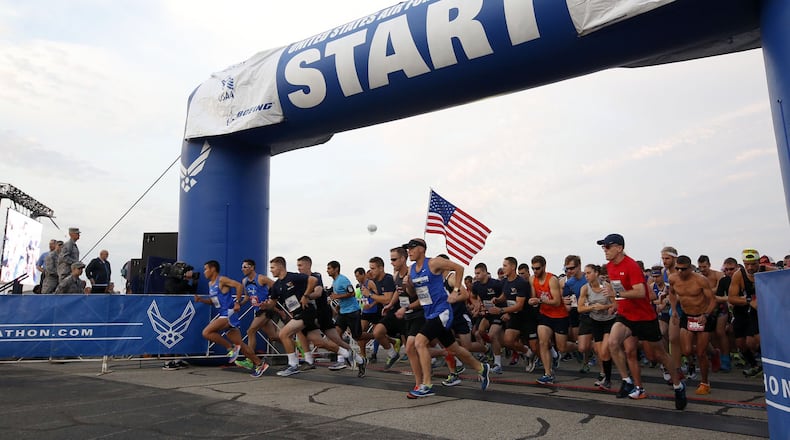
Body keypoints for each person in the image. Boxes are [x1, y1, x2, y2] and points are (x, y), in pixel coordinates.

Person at [597, 233, 686, 409]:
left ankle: (678, 385)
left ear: (619, 248)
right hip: (625, 315)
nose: (605, 251)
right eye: (603, 247)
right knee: (613, 343)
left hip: (644, 316)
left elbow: (640, 292)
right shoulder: (609, 266)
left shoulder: (631, 265)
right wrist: (615, 302)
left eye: (608, 247)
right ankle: (627, 381)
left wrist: (617, 294)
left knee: (658, 355)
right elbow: (618, 290)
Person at [402, 238, 490, 398]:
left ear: (421, 249)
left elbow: (459, 268)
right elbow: (413, 294)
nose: (409, 251)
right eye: (407, 249)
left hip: (442, 311)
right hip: (430, 313)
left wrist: (456, 291)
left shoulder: (434, 262)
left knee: (419, 342)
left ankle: (426, 384)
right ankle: (481, 368)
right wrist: (408, 284)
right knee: (454, 348)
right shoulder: (411, 269)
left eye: (411, 248)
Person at [193, 260, 269, 378]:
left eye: (206, 269)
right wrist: (201, 300)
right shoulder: (210, 284)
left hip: (228, 314)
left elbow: (238, 286)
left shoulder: (221, 280)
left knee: (206, 332)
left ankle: (231, 348)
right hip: (224, 313)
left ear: (213, 269)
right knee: (241, 345)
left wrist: (237, 302)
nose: (204, 272)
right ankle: (259, 364)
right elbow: (214, 302)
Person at [669, 255, 717, 395]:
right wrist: (673, 310)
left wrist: (706, 315)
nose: (679, 272)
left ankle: (705, 382)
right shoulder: (673, 279)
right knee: (687, 350)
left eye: (683, 269)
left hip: (702, 316)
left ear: (690, 268)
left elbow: (712, 300)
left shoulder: (700, 280)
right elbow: (671, 294)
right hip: (687, 316)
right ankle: (711, 354)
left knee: (701, 353)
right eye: (677, 268)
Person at [487, 257, 536, 377]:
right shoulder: (505, 281)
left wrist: (501, 310)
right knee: (508, 341)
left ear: (513, 267)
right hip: (514, 316)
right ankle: (528, 353)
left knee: (536, 345)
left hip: (526, 316)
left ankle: (552, 356)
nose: (503, 268)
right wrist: (497, 300)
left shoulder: (521, 283)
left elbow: (519, 306)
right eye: (503, 265)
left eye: (505, 266)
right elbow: (505, 295)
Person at [529, 255, 571, 384]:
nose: (535, 271)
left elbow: (557, 301)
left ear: (544, 267)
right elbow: (533, 297)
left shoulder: (552, 280)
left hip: (559, 315)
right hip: (545, 314)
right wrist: (532, 301)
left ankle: (580, 348)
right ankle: (548, 373)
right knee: (543, 342)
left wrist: (540, 300)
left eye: (537, 268)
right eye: (533, 268)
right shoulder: (532, 279)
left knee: (562, 347)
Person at [234, 259, 279, 370]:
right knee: (273, 337)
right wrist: (238, 303)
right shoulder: (244, 281)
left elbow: (276, 286)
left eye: (245, 267)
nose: (242, 269)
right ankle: (296, 344)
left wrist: (270, 300)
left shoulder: (261, 278)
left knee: (251, 331)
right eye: (242, 267)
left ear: (252, 267)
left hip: (266, 309)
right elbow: (247, 297)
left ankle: (250, 360)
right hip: (258, 310)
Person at [577, 264, 616, 389]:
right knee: (600, 352)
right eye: (585, 273)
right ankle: (604, 374)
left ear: (596, 273)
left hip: (609, 321)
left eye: (589, 273)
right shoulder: (585, 288)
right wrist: (593, 307)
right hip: (596, 321)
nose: (586, 276)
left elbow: (616, 304)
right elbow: (580, 308)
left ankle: (608, 380)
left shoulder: (606, 286)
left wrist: (604, 307)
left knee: (604, 350)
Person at [327, 260, 367, 377]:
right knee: (336, 335)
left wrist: (337, 296)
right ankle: (341, 360)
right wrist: (339, 305)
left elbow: (352, 293)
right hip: (343, 312)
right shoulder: (334, 282)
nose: (327, 270)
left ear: (336, 269)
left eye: (329, 268)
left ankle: (377, 336)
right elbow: (342, 297)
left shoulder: (342, 279)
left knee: (357, 336)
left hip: (353, 311)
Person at [728, 249, 762, 378]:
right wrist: (749, 300)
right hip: (742, 311)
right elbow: (731, 298)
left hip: (757, 313)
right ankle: (754, 365)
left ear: (758, 262)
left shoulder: (767, 271)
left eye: (753, 264)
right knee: (741, 344)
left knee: (754, 341)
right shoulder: (739, 275)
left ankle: (768, 363)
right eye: (747, 264)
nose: (750, 267)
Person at [471, 262, 505, 373]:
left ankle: (498, 364)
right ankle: (490, 348)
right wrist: (478, 304)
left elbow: (505, 295)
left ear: (485, 272)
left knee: (492, 335)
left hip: (498, 312)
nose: (476, 276)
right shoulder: (476, 285)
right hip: (487, 313)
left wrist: (498, 300)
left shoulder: (495, 284)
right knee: (480, 332)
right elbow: (473, 297)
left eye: (478, 273)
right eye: (475, 273)